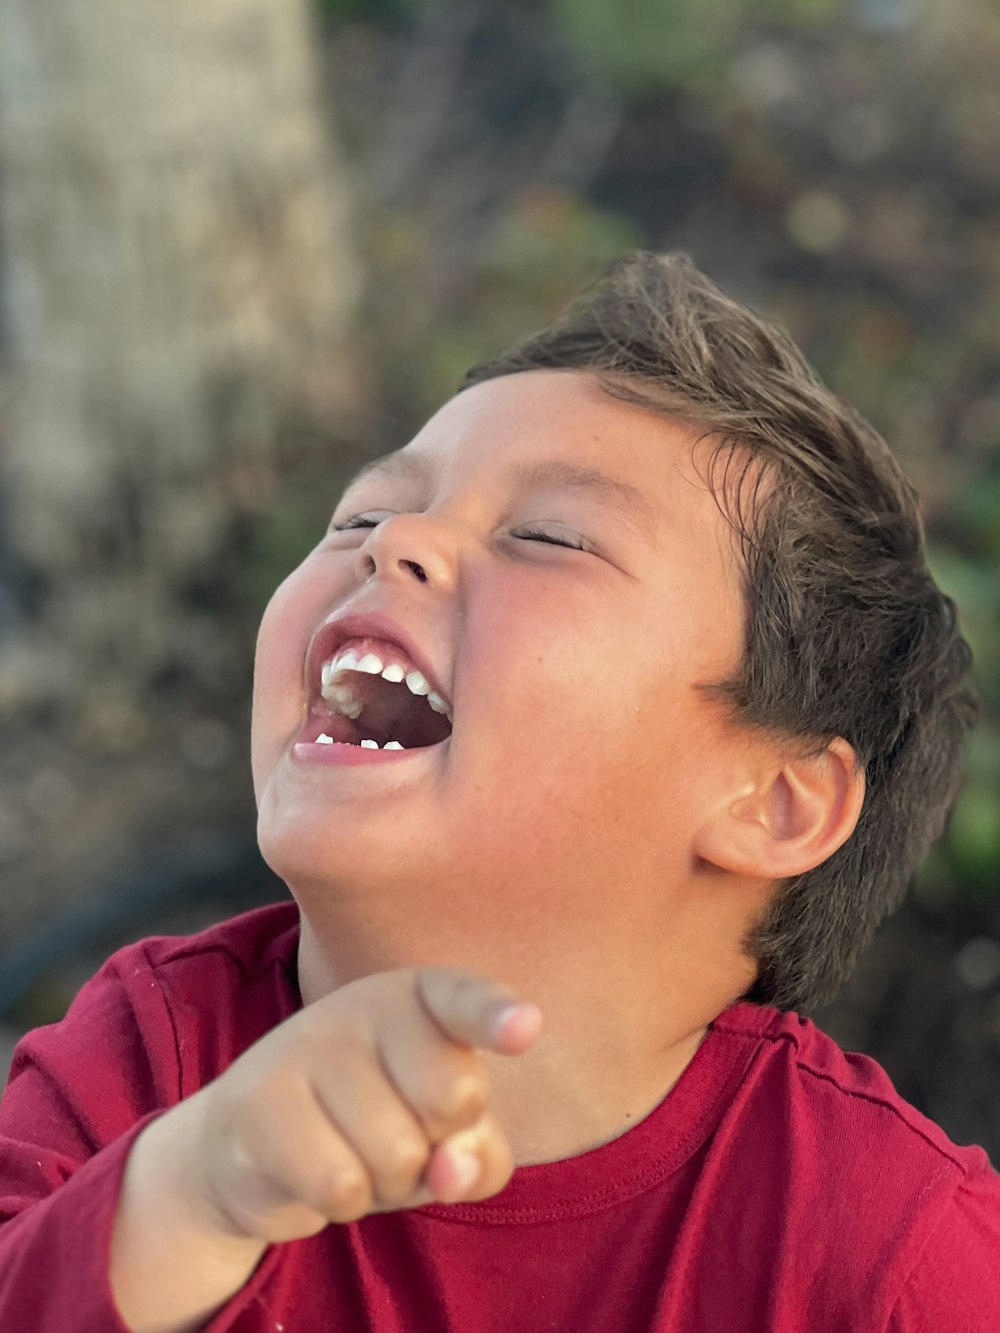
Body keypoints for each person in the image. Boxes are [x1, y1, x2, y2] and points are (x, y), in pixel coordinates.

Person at [1, 252, 996, 1332]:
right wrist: (191, 1193)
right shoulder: (152, 1060)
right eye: (356, 517)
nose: (396, 541)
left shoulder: (892, 1254)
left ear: (774, 801)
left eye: (549, 536)